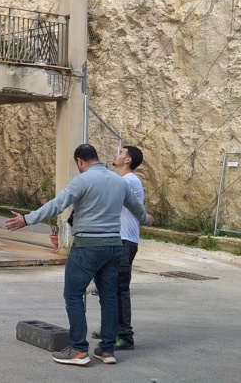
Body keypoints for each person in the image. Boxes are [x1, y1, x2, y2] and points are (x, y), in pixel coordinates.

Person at [5, 144, 146, 366]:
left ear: (80, 161)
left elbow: (57, 205)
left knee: (73, 294)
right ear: (96, 158)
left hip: (88, 245)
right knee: (109, 297)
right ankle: (107, 350)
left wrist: (27, 219)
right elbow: (139, 211)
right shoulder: (119, 181)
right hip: (114, 246)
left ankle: (79, 350)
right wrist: (147, 219)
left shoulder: (82, 180)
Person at [92, 146, 154, 350]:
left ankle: (125, 336)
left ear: (128, 160)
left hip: (125, 241)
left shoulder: (129, 181)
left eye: (120, 152)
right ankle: (110, 328)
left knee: (118, 290)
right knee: (105, 288)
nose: (116, 154)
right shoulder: (120, 180)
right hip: (113, 239)